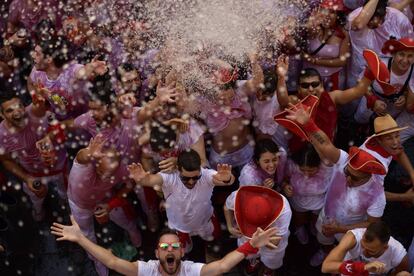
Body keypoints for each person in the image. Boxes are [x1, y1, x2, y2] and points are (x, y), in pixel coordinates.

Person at [284, 102, 388, 266]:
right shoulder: (345, 161)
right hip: (326, 218)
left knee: (343, 250)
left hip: (349, 231)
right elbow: (325, 144)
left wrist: (340, 229)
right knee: (323, 240)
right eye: (347, 173)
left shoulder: (377, 194)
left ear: (368, 175)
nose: (347, 179)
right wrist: (308, 123)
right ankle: (323, 252)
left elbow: (371, 223)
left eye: (354, 178)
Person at [51, 217, 279, 276]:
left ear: (182, 251)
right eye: (164, 247)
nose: (169, 250)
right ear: (157, 253)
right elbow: (111, 262)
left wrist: (250, 246)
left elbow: (220, 267)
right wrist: (81, 238)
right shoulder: (147, 270)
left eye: (174, 247)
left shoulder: (190, 270)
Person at [128, 149, 235, 253]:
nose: (191, 181)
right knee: (185, 250)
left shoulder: (206, 175)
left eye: (195, 178)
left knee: (212, 239)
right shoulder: (169, 177)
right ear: (178, 169)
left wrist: (227, 178)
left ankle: (210, 249)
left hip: (205, 221)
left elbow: (226, 180)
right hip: (179, 227)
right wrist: (141, 179)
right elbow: (149, 180)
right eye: (186, 178)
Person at [67, 135, 141, 276]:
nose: (106, 177)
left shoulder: (121, 170)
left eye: (110, 174)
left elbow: (131, 183)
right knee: (87, 235)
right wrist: (89, 152)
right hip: (80, 206)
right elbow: (81, 157)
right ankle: (97, 261)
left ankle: (136, 238)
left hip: (104, 199)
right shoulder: (83, 170)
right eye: (101, 171)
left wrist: (110, 204)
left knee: (126, 220)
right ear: (96, 163)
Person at [0, 92, 68, 221]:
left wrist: (50, 138)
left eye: (19, 106)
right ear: (2, 115)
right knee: (36, 198)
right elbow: (6, 160)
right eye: (9, 111)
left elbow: (59, 127)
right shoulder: (1, 135)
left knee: (64, 192)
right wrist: (27, 179)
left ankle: (64, 203)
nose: (18, 112)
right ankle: (38, 211)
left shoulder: (38, 113)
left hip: (58, 167)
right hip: (33, 174)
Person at [224, 185, 291, 276]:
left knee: (272, 259)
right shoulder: (237, 197)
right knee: (249, 254)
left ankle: (268, 269)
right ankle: (254, 260)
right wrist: (230, 226)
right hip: (246, 236)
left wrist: (258, 241)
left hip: (272, 237)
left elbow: (274, 244)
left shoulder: (284, 211)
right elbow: (227, 207)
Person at [347, 0, 413, 87]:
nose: (372, 22)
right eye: (369, 19)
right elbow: (358, 25)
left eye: (378, 20)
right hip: (358, 75)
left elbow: (410, 47)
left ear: (386, 13)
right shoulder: (356, 16)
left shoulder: (399, 19)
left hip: (386, 78)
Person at [282, 143, 334, 245]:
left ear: (318, 164)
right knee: (299, 220)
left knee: (316, 220)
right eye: (302, 170)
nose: (306, 174)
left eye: (311, 170)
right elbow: (284, 179)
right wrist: (285, 186)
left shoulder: (327, 168)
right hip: (298, 200)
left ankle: (314, 228)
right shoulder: (291, 165)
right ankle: (300, 229)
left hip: (320, 202)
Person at [355, 37, 414, 124]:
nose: (405, 60)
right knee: (361, 123)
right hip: (369, 106)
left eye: (410, 56)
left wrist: (404, 97)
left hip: (392, 110)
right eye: (401, 54)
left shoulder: (413, 72)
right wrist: (373, 100)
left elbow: (409, 90)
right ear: (394, 54)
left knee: (381, 131)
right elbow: (360, 81)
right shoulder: (380, 65)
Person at [322, 221, 409, 275]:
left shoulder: (398, 255)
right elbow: (326, 267)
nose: (364, 252)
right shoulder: (353, 238)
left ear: (385, 247)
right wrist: (363, 267)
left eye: (371, 251)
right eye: (362, 246)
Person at [303, 0, 350, 91]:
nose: (327, 15)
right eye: (325, 10)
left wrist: (315, 61)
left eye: (332, 12)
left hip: (332, 79)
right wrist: (313, 21)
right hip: (310, 80)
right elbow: (309, 30)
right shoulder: (314, 29)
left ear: (338, 15)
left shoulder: (343, 34)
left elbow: (342, 61)